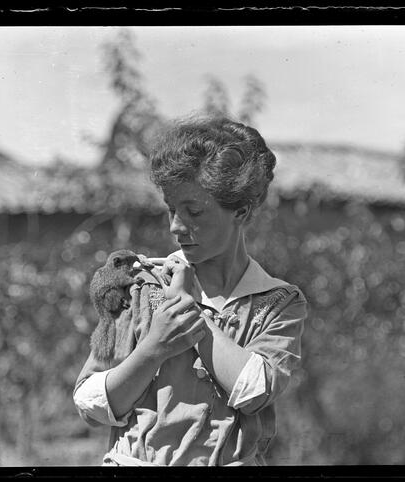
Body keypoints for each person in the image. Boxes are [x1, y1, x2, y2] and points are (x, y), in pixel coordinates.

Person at [73, 115, 307, 466]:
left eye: (194, 211)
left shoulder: (277, 303)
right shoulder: (142, 285)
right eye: (171, 209)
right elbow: (91, 403)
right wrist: (152, 349)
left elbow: (254, 391)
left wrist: (189, 308)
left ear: (241, 211)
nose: (176, 226)